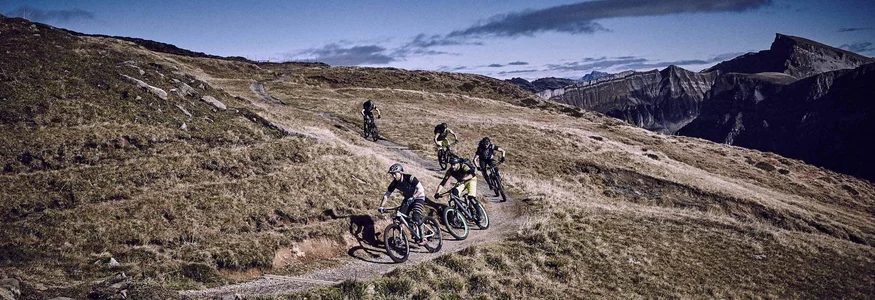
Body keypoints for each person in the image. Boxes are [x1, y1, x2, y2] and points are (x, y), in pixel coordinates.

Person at [378, 163, 428, 245]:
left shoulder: (410, 178)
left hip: (419, 197)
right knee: (402, 218)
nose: (393, 176)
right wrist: (381, 206)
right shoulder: (394, 183)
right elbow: (387, 195)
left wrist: (414, 197)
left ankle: (423, 236)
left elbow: (421, 189)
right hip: (408, 199)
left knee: (415, 216)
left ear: (400, 172)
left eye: (395, 174)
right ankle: (411, 233)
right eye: (392, 174)